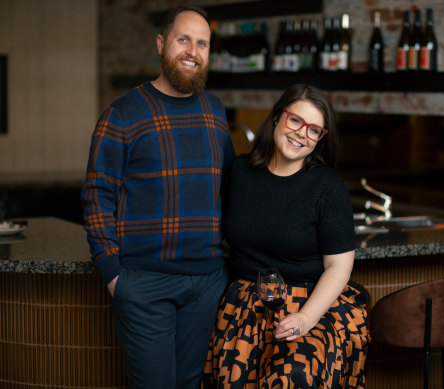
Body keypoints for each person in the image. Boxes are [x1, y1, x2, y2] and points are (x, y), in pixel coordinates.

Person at [81, 5, 234, 388]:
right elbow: (97, 195)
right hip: (144, 283)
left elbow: (231, 185)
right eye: (184, 39)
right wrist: (114, 274)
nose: (192, 51)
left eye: (202, 43)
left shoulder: (214, 111)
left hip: (207, 282)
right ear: (161, 43)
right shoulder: (122, 114)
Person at [203, 84, 370, 388]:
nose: (301, 134)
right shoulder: (239, 171)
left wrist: (305, 319)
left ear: (320, 139)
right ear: (279, 116)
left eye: (314, 130)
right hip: (244, 306)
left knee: (292, 379)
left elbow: (339, 266)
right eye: (296, 121)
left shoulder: (328, 187)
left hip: (309, 306)